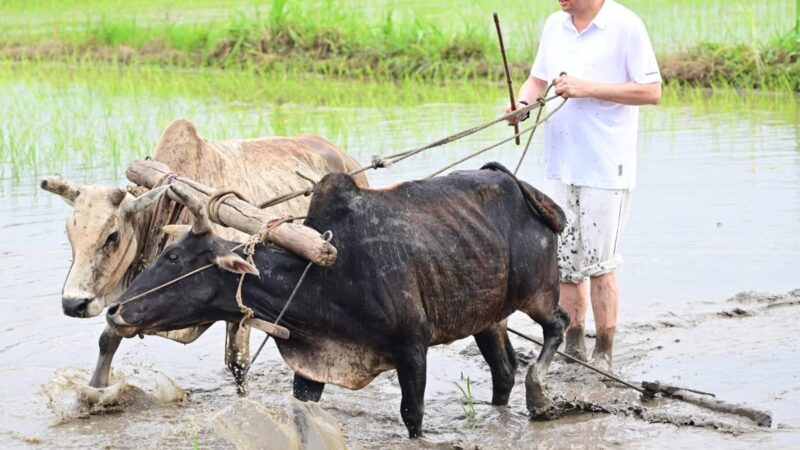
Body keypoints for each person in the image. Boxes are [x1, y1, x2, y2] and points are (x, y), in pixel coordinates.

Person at [506, 0, 662, 370]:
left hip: (606, 167)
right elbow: (538, 79)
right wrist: (524, 103)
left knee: (600, 264)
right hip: (560, 165)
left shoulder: (625, 26)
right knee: (566, 265)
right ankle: (573, 347)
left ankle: (604, 353)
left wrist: (586, 88)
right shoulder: (554, 25)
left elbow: (651, 91)